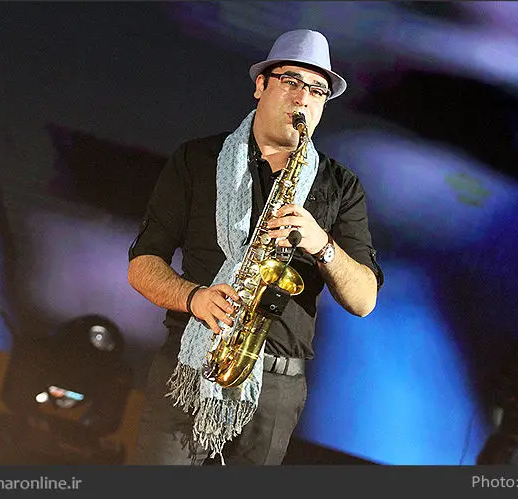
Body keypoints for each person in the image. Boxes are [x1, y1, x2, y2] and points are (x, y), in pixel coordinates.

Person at [127, 29, 383, 465]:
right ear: (261, 85)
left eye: (317, 90)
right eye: (291, 81)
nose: (303, 98)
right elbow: (142, 264)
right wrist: (193, 297)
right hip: (190, 367)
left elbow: (364, 301)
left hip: (276, 391)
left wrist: (322, 244)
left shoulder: (342, 186)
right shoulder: (197, 159)